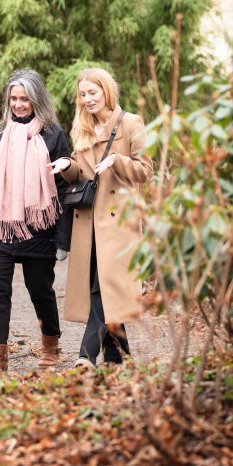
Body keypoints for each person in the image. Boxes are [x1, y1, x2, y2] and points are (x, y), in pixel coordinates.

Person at [0, 69, 72, 372]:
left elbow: (64, 190)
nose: (18, 104)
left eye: (24, 98)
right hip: (0, 226)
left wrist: (63, 239)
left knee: (40, 289)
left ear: (36, 99)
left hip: (39, 228)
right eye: (13, 98)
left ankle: (50, 347)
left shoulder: (53, 135)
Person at [49, 68, 153, 368]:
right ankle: (119, 357)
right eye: (82, 94)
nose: (87, 99)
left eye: (92, 92)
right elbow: (82, 176)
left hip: (119, 223)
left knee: (101, 287)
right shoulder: (82, 128)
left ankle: (85, 354)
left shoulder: (130, 123)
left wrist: (117, 161)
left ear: (106, 91)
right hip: (88, 224)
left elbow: (146, 171)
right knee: (105, 288)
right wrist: (66, 165)